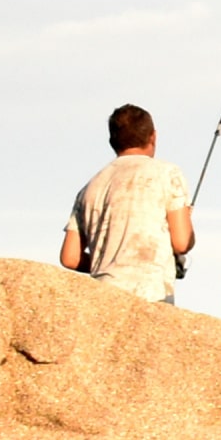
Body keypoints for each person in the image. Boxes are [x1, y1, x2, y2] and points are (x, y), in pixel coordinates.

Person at [59, 104, 195, 304]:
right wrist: (185, 224)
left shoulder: (90, 187)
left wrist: (108, 264)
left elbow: (70, 257)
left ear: (112, 141)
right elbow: (182, 242)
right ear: (153, 136)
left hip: (103, 295)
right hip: (150, 293)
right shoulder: (167, 173)